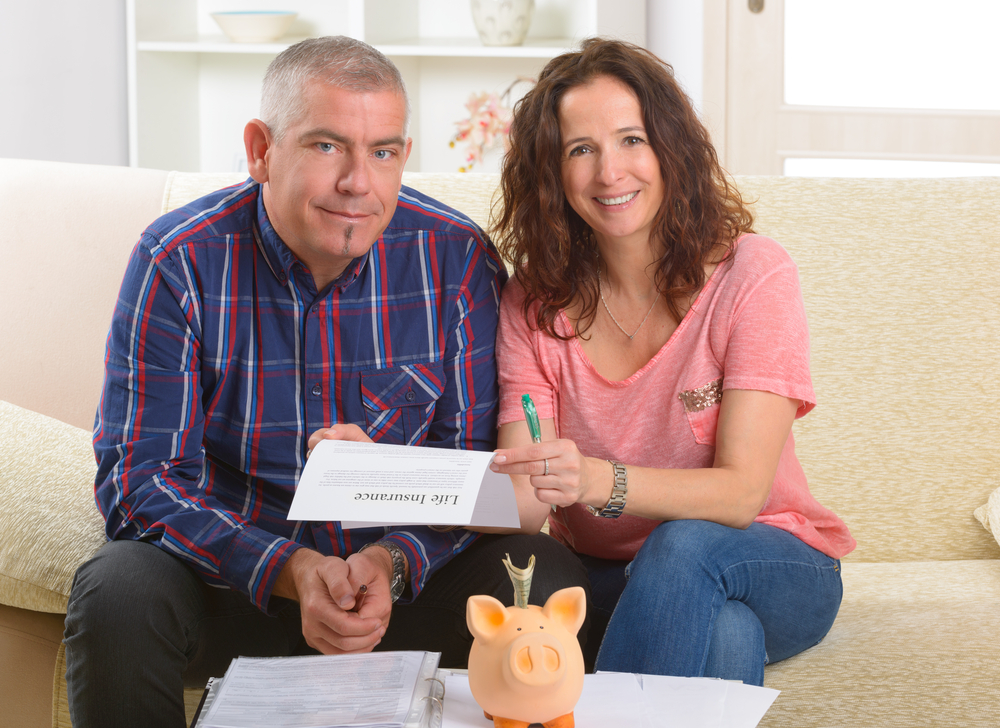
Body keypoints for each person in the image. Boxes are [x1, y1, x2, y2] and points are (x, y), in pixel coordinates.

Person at [63, 36, 587, 728]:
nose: (358, 184)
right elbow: (140, 478)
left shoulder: (455, 261)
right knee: (117, 588)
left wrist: (391, 559)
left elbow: (474, 473)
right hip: (233, 587)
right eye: (326, 146)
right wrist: (289, 569)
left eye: (384, 152)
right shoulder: (177, 262)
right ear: (260, 150)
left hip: (398, 594)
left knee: (539, 570)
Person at [488, 38, 856, 686]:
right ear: (551, 173)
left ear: (670, 147)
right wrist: (383, 475)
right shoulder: (532, 303)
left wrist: (596, 481)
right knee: (726, 637)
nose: (610, 172)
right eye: (581, 150)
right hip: (612, 579)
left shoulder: (752, 275)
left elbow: (742, 493)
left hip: (774, 558)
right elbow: (523, 500)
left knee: (682, 543)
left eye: (632, 140)